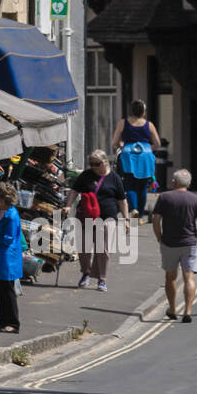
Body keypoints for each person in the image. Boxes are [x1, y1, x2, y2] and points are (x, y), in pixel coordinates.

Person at [65, 150, 129, 292]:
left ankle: (102, 278)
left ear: (105, 162)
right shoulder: (86, 175)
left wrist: (126, 219)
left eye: (96, 164)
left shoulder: (114, 178)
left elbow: (122, 200)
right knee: (84, 249)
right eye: (91, 164)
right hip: (86, 216)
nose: (93, 166)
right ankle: (86, 273)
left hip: (107, 217)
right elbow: (74, 191)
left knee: (103, 250)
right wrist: (68, 206)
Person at [151, 169, 197, 322]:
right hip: (189, 243)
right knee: (189, 277)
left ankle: (173, 309)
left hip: (169, 243)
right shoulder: (195, 199)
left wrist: (159, 238)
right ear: (189, 183)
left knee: (170, 277)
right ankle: (188, 311)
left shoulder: (164, 197)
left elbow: (156, 220)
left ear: (174, 182)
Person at [112, 100, 161, 219]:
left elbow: (114, 142)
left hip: (128, 155)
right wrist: (149, 148)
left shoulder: (123, 123)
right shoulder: (149, 125)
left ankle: (133, 208)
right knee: (143, 186)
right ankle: (140, 216)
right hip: (145, 155)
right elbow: (157, 144)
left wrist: (121, 146)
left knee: (129, 184)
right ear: (143, 112)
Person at [0, 182, 23, 332]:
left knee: (7, 292)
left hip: (7, 259)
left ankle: (13, 323)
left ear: (2, 197)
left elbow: (8, 238)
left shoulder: (11, 215)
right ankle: (2, 321)